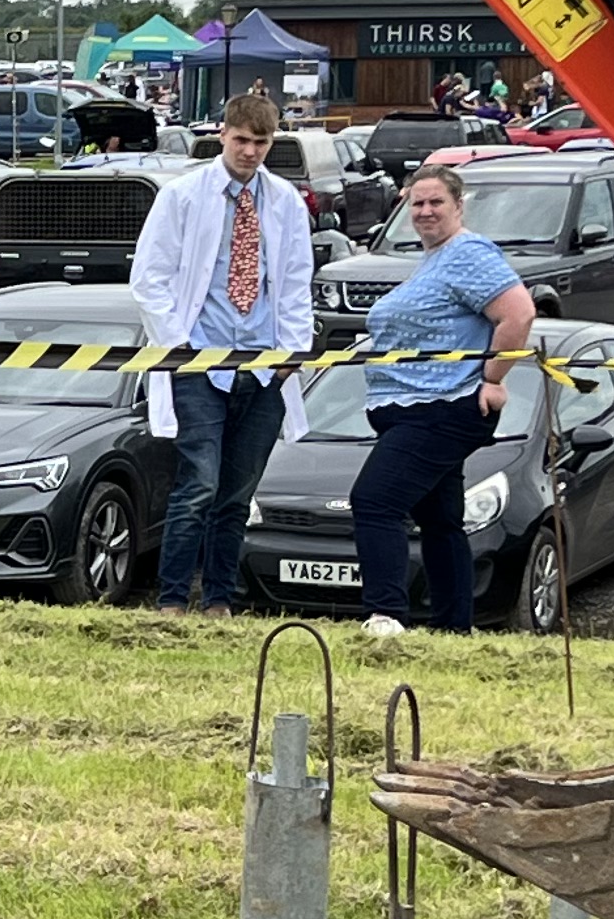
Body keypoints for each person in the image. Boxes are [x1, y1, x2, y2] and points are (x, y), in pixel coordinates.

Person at [128, 87, 311, 611]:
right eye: (241, 140)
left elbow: (296, 281)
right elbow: (150, 278)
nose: (250, 151)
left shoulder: (285, 201)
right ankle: (171, 600)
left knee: (236, 494)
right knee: (198, 486)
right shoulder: (183, 196)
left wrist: (291, 353)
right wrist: (180, 347)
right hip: (200, 365)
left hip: (263, 368)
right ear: (222, 135)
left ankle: (219, 601)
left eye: (261, 142)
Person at [342, 162, 538, 635]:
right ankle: (454, 629)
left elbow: (518, 314)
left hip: (440, 408)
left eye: (436, 202)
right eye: (418, 203)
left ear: (458, 205)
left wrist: (493, 378)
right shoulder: (435, 259)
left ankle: (385, 617)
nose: (426, 211)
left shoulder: (468, 253)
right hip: (415, 408)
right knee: (440, 519)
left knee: (374, 501)